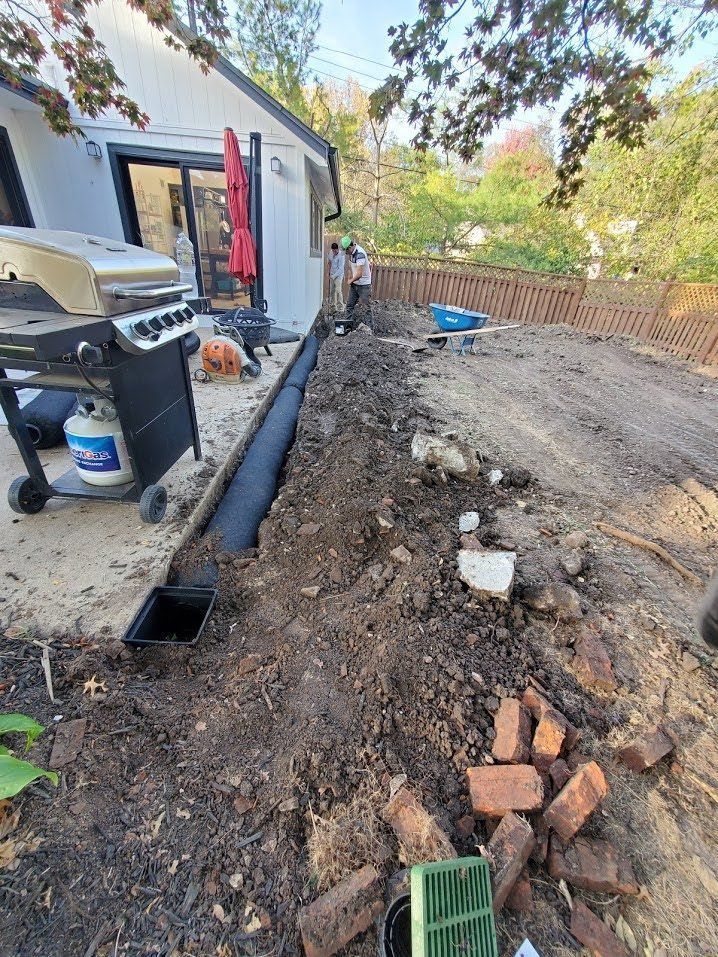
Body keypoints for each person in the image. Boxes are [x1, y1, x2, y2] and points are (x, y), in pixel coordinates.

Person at [340, 235, 372, 329]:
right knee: (349, 305)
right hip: (355, 284)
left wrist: (350, 280)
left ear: (350, 247)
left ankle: (369, 330)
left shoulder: (360, 254)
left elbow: (359, 274)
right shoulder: (351, 254)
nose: (345, 253)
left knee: (366, 308)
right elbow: (352, 267)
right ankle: (348, 328)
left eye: (346, 250)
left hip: (364, 285)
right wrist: (350, 275)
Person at [327, 241, 345, 311]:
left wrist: (333, 276)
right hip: (332, 274)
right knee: (332, 291)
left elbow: (341, 269)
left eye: (335, 251)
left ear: (337, 249)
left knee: (338, 290)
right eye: (333, 250)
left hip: (338, 275)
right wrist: (328, 272)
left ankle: (340, 307)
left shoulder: (341, 256)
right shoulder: (331, 252)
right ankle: (333, 306)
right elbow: (329, 262)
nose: (334, 252)